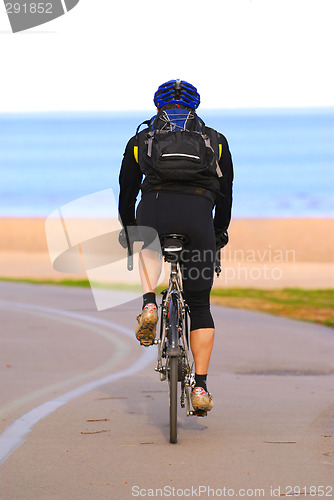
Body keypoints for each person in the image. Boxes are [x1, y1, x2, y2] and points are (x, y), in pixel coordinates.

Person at [118, 80, 233, 412]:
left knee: (148, 245)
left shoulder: (140, 140)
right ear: (195, 108)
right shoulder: (215, 140)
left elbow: (127, 192)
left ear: (157, 108)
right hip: (197, 215)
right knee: (199, 306)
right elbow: (226, 195)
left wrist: (129, 227)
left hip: (154, 208)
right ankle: (200, 387)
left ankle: (149, 304)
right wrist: (217, 232)